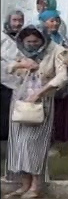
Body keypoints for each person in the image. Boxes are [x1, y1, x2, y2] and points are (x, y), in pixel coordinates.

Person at [4, 23, 68, 199]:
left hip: (41, 102)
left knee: (34, 145)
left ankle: (36, 185)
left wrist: (41, 92)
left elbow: (62, 76)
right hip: (20, 101)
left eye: (35, 41)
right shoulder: (21, 51)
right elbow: (7, 68)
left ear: (43, 39)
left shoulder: (56, 51)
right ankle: (24, 184)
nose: (32, 45)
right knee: (19, 144)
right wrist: (21, 65)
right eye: (28, 42)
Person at [36, 9, 68, 144]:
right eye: (52, 21)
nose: (55, 23)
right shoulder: (40, 39)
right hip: (45, 80)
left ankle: (57, 138)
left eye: (57, 20)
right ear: (43, 22)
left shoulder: (62, 38)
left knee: (58, 111)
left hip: (61, 77)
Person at [0, 9, 22, 147]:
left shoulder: (23, 37)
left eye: (20, 20)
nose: (17, 23)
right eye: (14, 20)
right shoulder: (2, 37)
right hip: (2, 82)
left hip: (18, 83)